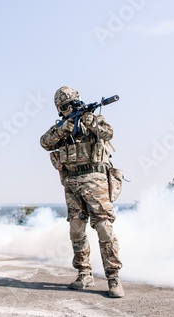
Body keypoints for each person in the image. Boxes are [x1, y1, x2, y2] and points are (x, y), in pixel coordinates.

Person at [40, 86, 124, 298]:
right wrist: (64, 128)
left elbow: (109, 133)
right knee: (76, 229)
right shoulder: (61, 127)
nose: (68, 109)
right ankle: (84, 273)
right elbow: (45, 142)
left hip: (95, 181)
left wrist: (90, 122)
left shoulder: (92, 119)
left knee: (104, 227)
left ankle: (113, 277)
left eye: (70, 105)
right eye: (64, 107)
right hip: (71, 183)